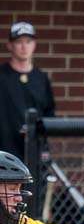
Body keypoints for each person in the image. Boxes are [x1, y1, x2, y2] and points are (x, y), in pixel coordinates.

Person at [0, 22, 56, 162]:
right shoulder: (1, 76)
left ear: (34, 45)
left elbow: (50, 113)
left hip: (34, 152)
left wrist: (40, 135)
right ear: (10, 46)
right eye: (19, 42)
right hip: (4, 153)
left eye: (28, 41)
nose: (24, 47)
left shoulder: (41, 78)